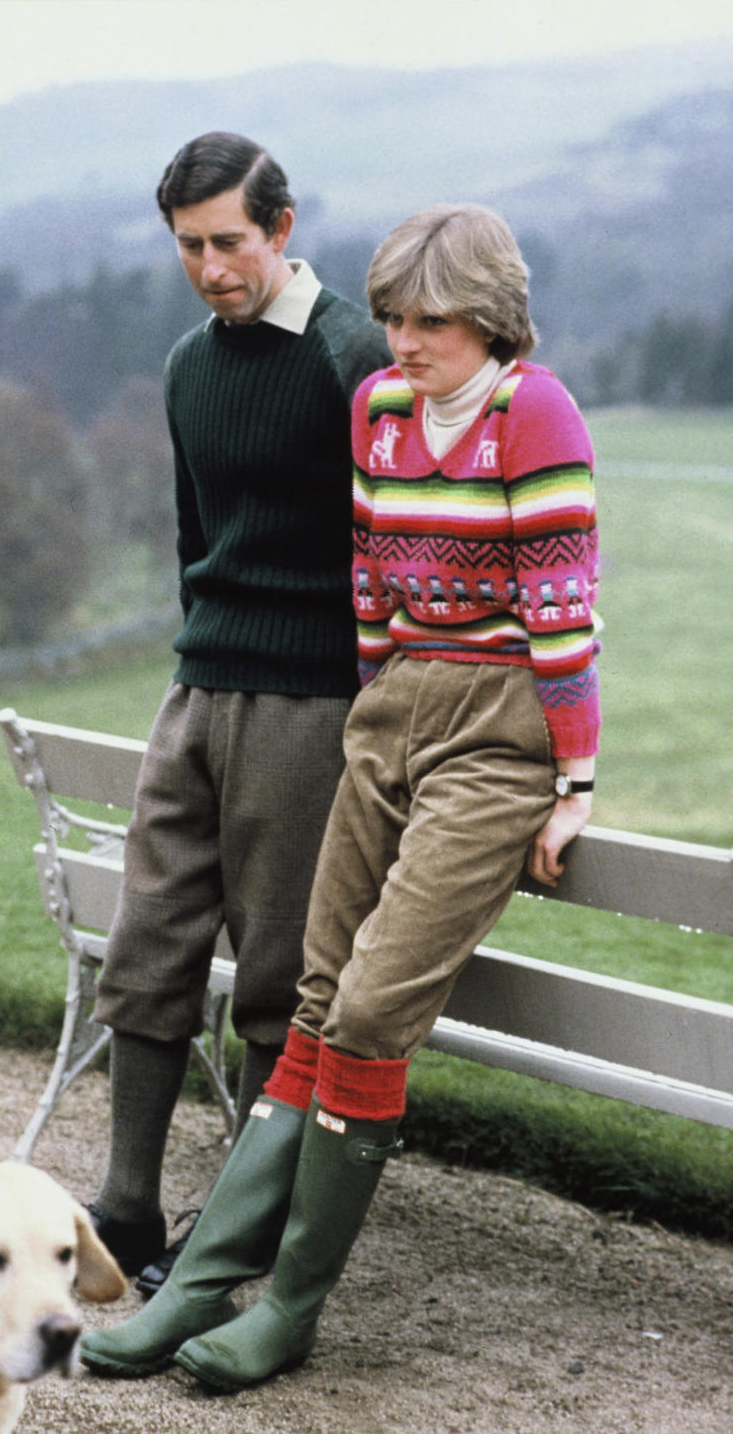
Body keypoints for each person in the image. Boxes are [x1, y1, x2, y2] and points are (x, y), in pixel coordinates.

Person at [79, 203, 601, 1387]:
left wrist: (570, 776)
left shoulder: (536, 412)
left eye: (432, 324)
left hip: (499, 723)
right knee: (316, 1000)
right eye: (394, 320)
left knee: (367, 1011)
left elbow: (561, 610)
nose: (405, 344)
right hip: (393, 706)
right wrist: (378, 705)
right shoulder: (377, 407)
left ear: (491, 321)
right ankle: (204, 1282)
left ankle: (291, 1305)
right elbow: (369, 571)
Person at [82, 131, 390, 1297]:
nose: (210, 266)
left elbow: (391, 541)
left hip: (311, 704)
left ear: (282, 229)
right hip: (198, 685)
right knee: (148, 939)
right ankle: (127, 1201)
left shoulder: (351, 355)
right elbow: (191, 537)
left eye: (228, 241)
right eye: (188, 247)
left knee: (277, 966)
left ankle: (243, 1225)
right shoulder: (185, 367)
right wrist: (200, 659)